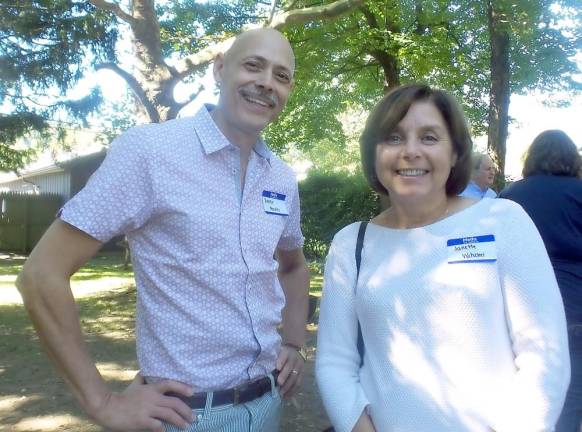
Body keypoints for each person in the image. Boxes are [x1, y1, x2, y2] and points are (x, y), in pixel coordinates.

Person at [16, 28, 310, 432]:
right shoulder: (149, 153)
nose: (266, 83)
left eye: (281, 75)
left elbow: (293, 266)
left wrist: (294, 342)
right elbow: (40, 275)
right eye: (253, 66)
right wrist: (101, 402)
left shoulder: (281, 177)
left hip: (267, 406)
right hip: (185, 417)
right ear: (219, 69)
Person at [315, 84, 570, 432]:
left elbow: (544, 357)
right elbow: (334, 361)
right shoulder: (351, 244)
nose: (410, 151)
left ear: (454, 153)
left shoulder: (503, 221)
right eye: (393, 138)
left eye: (429, 137)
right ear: (374, 154)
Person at [499, 129, 582, 432]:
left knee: (531, 405)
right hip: (575, 309)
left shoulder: (509, 197)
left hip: (522, 315)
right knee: (569, 405)